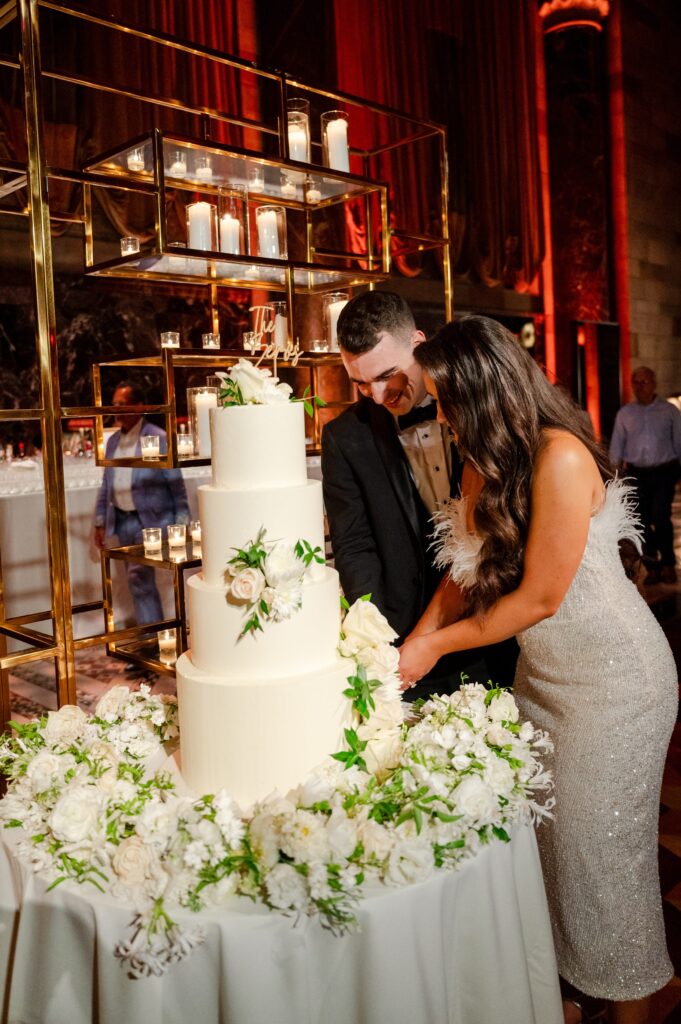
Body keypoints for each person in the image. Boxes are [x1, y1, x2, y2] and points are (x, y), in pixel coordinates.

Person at [397, 315, 676, 1024]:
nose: (442, 419)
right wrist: (409, 642)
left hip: (616, 686)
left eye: (449, 401)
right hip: (543, 685)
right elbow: (461, 573)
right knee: (551, 858)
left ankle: (631, 1005)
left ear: (483, 391)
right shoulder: (479, 462)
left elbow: (540, 597)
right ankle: (570, 998)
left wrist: (433, 651)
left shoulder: (560, 456)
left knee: (605, 871)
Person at [321, 291, 518, 700]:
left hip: (493, 623)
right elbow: (354, 544)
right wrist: (377, 633)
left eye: (386, 375)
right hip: (404, 640)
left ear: (419, 343)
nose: (378, 396)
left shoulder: (479, 410)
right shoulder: (344, 437)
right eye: (360, 383)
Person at [94, 382, 190, 625]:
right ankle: (152, 638)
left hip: (149, 519)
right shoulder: (113, 441)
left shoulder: (156, 437)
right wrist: (100, 522)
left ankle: (152, 641)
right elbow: (107, 484)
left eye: (122, 404)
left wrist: (182, 521)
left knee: (139, 578)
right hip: (123, 519)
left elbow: (175, 483)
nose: (116, 410)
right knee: (137, 581)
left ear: (139, 406)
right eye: (113, 404)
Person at [610, 365, 681, 584]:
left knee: (660, 516)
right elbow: (617, 446)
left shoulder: (669, 411)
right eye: (636, 383)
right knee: (640, 520)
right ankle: (651, 565)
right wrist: (613, 475)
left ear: (654, 384)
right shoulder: (625, 413)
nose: (640, 387)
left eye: (644, 382)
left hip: (663, 471)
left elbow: (679, 441)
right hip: (637, 473)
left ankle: (668, 564)